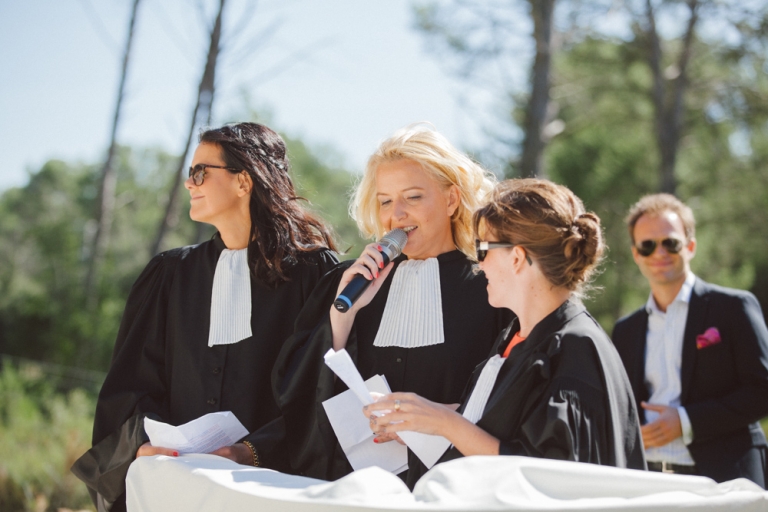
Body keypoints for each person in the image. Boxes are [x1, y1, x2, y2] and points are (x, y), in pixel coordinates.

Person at [71, 123, 339, 512]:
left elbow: (319, 390)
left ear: (243, 181)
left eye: (200, 172)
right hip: (181, 486)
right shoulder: (169, 275)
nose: (189, 183)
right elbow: (131, 384)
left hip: (274, 488)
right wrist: (148, 443)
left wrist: (248, 452)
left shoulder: (315, 275)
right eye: (189, 172)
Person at [365, 178, 646, 489]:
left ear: (517, 257)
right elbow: (501, 427)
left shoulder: (574, 350)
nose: (478, 265)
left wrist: (446, 424)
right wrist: (422, 420)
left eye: (483, 249)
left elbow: (550, 479)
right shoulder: (515, 336)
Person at [273, 124, 513, 480]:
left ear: (451, 200)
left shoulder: (491, 287)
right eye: (385, 201)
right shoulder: (348, 283)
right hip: (356, 488)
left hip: (450, 487)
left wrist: (441, 419)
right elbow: (300, 398)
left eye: (413, 197)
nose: (396, 214)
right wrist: (343, 317)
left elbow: (513, 397)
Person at [612, 193, 768, 486]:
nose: (659, 253)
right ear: (636, 254)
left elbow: (762, 389)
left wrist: (687, 421)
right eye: (647, 245)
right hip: (648, 480)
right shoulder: (625, 330)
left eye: (670, 242)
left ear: (690, 246)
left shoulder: (734, 308)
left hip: (727, 480)